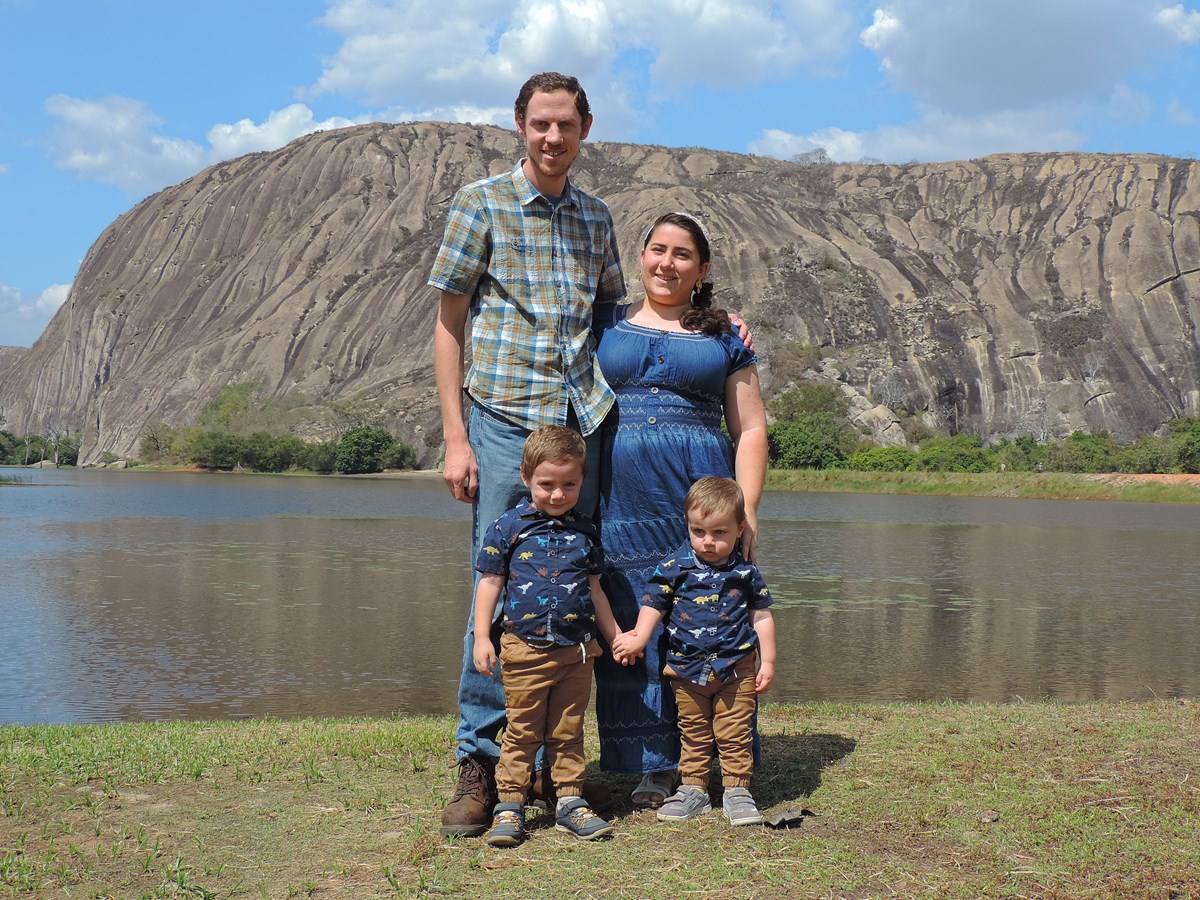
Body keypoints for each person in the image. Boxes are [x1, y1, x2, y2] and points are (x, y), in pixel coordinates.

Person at [428, 71, 625, 837]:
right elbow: (450, 323)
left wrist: (712, 319)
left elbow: (613, 314)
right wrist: (455, 437)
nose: (552, 138)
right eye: (539, 124)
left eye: (565, 125)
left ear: (584, 129)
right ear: (519, 125)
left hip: (582, 427)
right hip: (505, 420)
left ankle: (550, 768)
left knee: (572, 580)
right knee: (497, 580)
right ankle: (480, 766)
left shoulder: (596, 216)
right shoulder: (480, 203)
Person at [592, 211, 769, 807]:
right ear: (640, 257)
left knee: (709, 618)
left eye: (682, 254)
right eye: (657, 250)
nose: (667, 263)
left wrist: (745, 510)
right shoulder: (605, 323)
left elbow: (750, 429)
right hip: (621, 497)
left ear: (703, 269)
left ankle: (719, 763)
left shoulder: (726, 337)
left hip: (700, 493)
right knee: (633, 617)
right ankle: (654, 765)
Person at [471, 425, 621, 847]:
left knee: (568, 730)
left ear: (582, 481)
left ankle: (570, 802)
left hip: (576, 652)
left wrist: (615, 636)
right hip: (524, 648)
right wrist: (483, 637)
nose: (557, 494)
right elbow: (490, 584)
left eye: (569, 485)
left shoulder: (586, 531)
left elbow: (595, 590)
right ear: (526, 478)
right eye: (547, 485)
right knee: (522, 731)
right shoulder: (508, 527)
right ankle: (509, 807)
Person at [612, 476, 776, 825]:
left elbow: (761, 615)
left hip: (735, 667)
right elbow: (653, 602)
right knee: (694, 732)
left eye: (720, 533)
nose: (708, 542)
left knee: (734, 732)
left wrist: (770, 659)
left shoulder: (746, 572)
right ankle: (694, 789)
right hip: (686, 670)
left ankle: (737, 790)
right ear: (687, 525)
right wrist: (640, 636)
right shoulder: (675, 567)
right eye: (698, 531)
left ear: (740, 528)